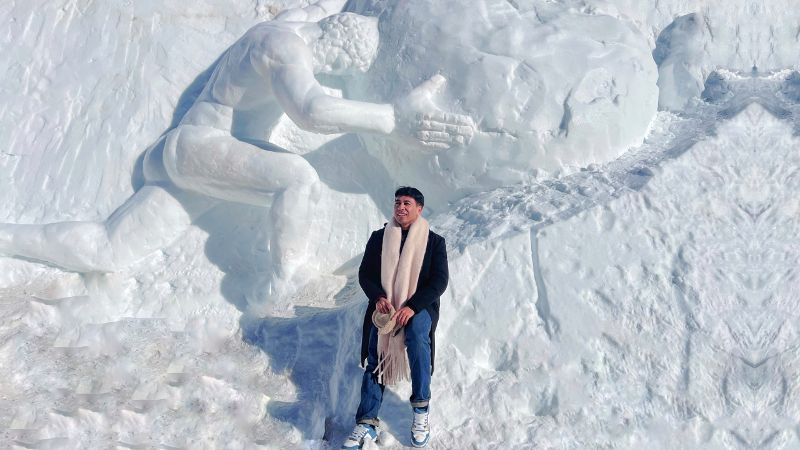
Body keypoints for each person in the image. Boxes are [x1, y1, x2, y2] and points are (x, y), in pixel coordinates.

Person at [0, 1, 473, 309]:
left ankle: (7, 238)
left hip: (196, 155)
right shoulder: (284, 45)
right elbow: (310, 110)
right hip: (199, 149)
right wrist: (393, 118)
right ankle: (284, 283)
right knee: (297, 179)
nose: (327, 71)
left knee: (109, 248)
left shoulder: (289, 26)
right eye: (336, 65)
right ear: (329, 41)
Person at [342, 186, 448, 449]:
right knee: (375, 356)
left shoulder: (434, 242)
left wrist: (412, 306)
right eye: (398, 202)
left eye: (407, 203)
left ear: (419, 209)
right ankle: (366, 423)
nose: (401, 207)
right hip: (384, 308)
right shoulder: (379, 237)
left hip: (419, 307)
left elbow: (439, 281)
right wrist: (377, 296)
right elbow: (365, 273)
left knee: (418, 337)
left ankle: (421, 411)